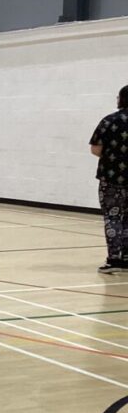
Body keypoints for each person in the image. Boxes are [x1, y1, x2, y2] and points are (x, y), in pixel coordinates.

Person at [90, 84, 128, 273]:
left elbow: (96, 149)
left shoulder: (109, 121)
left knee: (113, 217)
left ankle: (114, 260)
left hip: (111, 177)